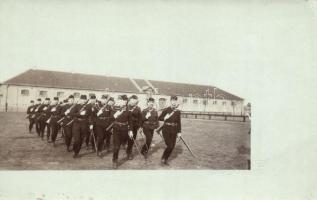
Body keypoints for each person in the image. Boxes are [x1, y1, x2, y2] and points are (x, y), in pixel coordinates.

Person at [158, 95, 182, 165]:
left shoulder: (178, 112)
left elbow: (179, 122)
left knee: (172, 146)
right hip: (166, 130)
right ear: (170, 101)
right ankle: (163, 158)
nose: (174, 102)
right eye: (173, 100)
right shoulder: (166, 110)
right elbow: (159, 118)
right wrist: (164, 118)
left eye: (175, 101)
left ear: (176, 102)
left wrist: (179, 132)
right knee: (170, 145)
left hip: (174, 130)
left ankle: (165, 159)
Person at [111, 94, 132, 169]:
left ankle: (127, 152)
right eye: (123, 100)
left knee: (124, 143)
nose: (125, 102)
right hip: (116, 128)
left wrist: (131, 130)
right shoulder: (115, 108)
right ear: (120, 100)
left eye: (126, 101)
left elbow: (130, 121)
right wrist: (119, 112)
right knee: (116, 146)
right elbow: (112, 117)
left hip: (125, 129)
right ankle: (114, 160)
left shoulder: (128, 109)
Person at [126, 95, 142, 160]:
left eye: (135, 101)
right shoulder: (126, 107)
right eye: (132, 101)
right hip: (125, 125)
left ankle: (129, 152)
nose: (133, 103)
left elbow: (140, 118)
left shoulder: (138, 108)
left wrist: (140, 126)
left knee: (131, 139)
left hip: (134, 126)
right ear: (130, 100)